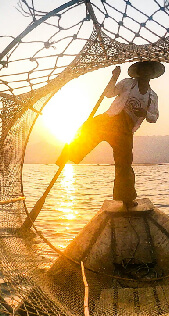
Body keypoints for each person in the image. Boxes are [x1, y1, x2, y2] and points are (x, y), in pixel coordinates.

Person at [56, 60, 163, 207]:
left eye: (149, 70)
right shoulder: (127, 83)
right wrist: (114, 77)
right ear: (139, 72)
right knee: (88, 129)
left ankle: (127, 198)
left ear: (152, 74)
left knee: (124, 164)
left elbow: (154, 117)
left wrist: (145, 113)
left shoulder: (152, 96)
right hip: (111, 120)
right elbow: (109, 94)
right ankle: (67, 155)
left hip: (126, 129)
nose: (146, 73)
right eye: (143, 69)